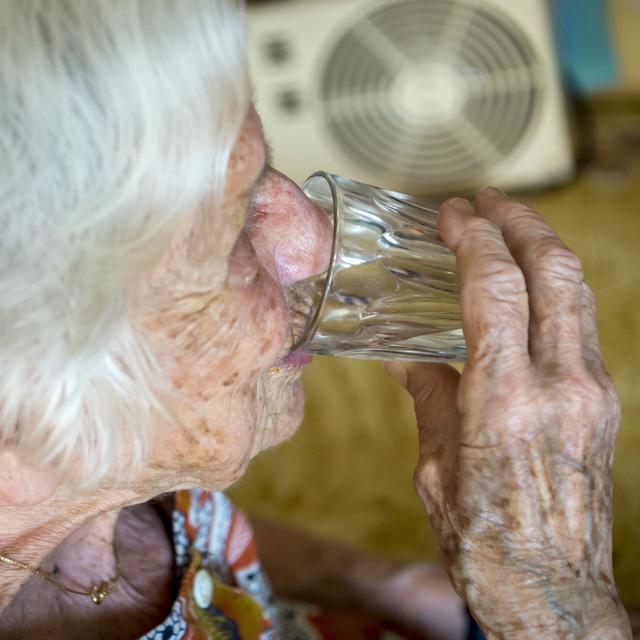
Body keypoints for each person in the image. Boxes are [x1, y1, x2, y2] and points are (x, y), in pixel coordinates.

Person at [0, 2, 632, 639]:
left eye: (259, 166)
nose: (319, 238)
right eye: (233, 228)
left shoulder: (106, 466)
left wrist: (398, 590)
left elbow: (173, 518)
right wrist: (551, 604)